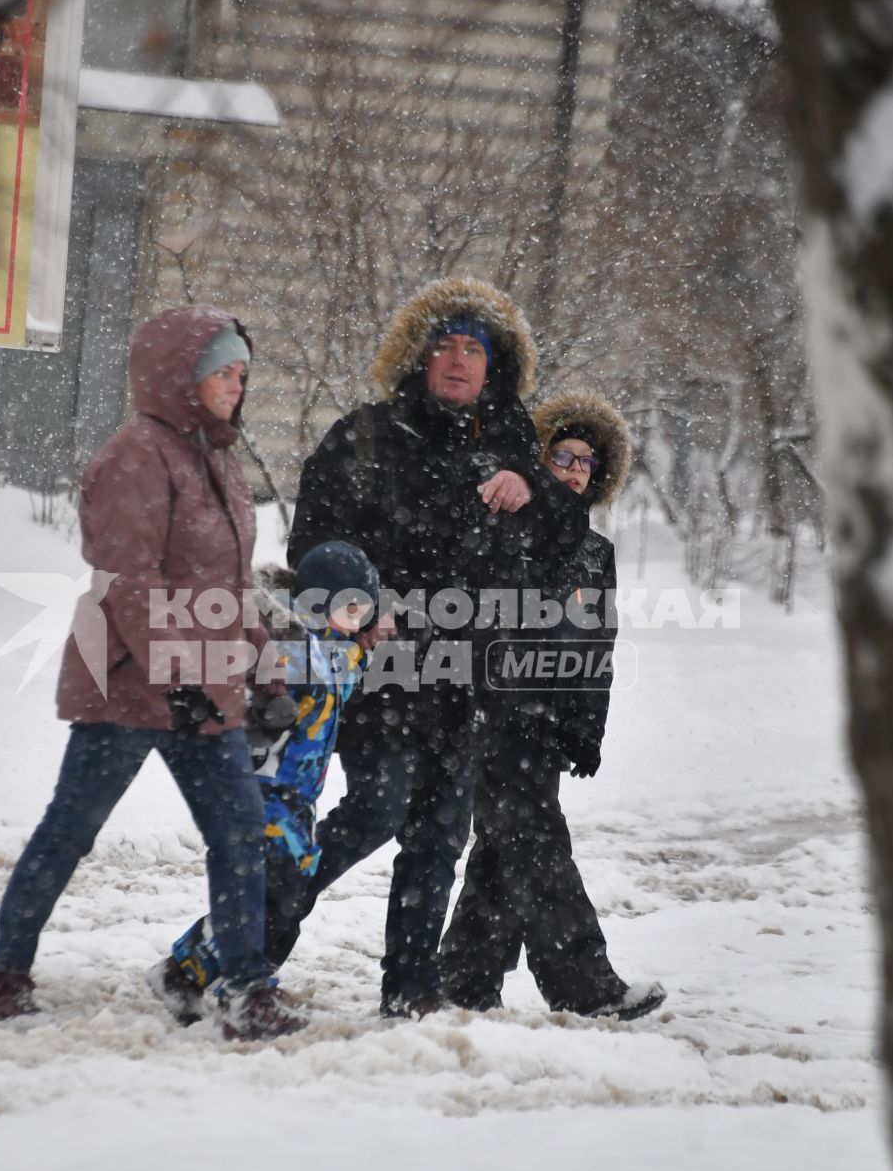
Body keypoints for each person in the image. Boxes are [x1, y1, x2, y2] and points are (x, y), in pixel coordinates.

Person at [0, 304, 306, 1042]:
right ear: (179, 374)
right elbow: (129, 583)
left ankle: (247, 989)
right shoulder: (135, 456)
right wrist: (178, 674)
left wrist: (267, 674)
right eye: (222, 370)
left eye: (242, 373)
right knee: (70, 831)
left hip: (203, 688)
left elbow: (231, 583)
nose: (234, 385)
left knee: (241, 834)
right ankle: (4, 974)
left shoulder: (218, 459)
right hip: (126, 687)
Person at [282, 277, 587, 1017]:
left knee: (439, 841)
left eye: (473, 349)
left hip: (465, 684)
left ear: (496, 367)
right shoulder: (367, 436)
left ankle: (412, 992)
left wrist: (533, 489)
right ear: (420, 359)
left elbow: (569, 542)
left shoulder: (518, 450)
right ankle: (246, 936)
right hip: (382, 671)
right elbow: (312, 546)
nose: (457, 360)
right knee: (376, 812)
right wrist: (358, 601)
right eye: (444, 345)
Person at [440, 391, 666, 1019]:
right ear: (537, 458)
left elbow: (597, 648)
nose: (572, 469)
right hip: (490, 713)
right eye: (561, 455)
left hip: (543, 726)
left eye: (585, 463)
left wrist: (584, 729)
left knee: (503, 849)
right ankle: (583, 984)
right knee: (537, 844)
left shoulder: (596, 554)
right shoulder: (505, 522)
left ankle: (462, 982)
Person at [150, 540, 385, 1024]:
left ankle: (186, 970)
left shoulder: (337, 654)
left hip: (299, 803)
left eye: (364, 610)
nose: (360, 619)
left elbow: (343, 668)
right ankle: (243, 990)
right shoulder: (287, 649)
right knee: (271, 897)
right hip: (263, 792)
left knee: (278, 899)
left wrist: (361, 645)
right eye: (352, 607)